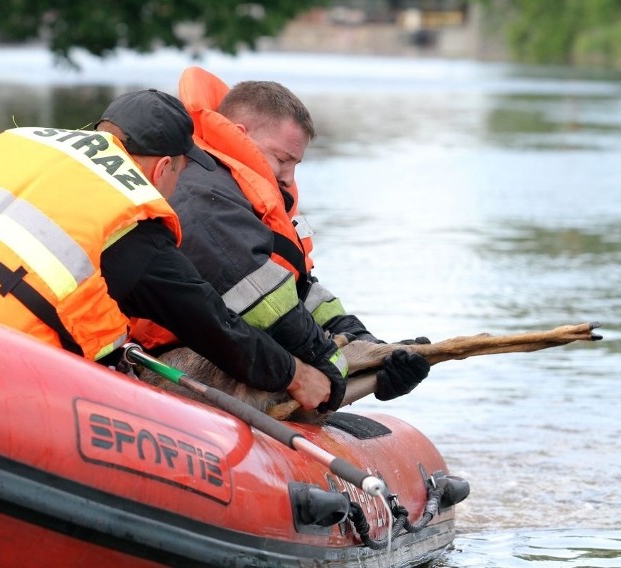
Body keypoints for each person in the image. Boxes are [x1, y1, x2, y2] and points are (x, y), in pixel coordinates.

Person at [0, 88, 345, 411]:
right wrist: (295, 374)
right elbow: (207, 321)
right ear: (163, 170)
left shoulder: (20, 141)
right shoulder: (128, 215)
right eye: (181, 173)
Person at [132, 68, 429, 404]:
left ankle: (378, 363)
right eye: (283, 159)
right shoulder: (199, 193)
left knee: (310, 357)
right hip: (161, 359)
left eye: (296, 164)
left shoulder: (246, 192)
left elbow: (300, 292)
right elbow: (266, 306)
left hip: (224, 344)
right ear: (239, 134)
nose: (288, 177)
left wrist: (371, 346)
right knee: (289, 359)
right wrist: (339, 366)